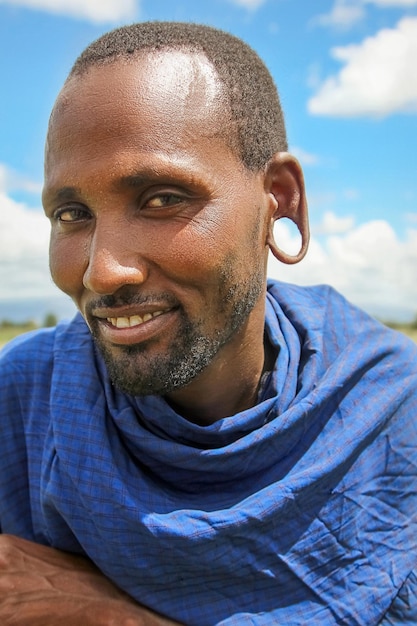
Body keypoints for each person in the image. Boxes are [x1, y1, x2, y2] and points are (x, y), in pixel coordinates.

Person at [0, 21, 416, 626]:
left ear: (280, 198)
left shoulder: (388, 410)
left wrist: (110, 614)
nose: (104, 271)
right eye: (72, 213)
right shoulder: (27, 403)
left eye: (163, 198)